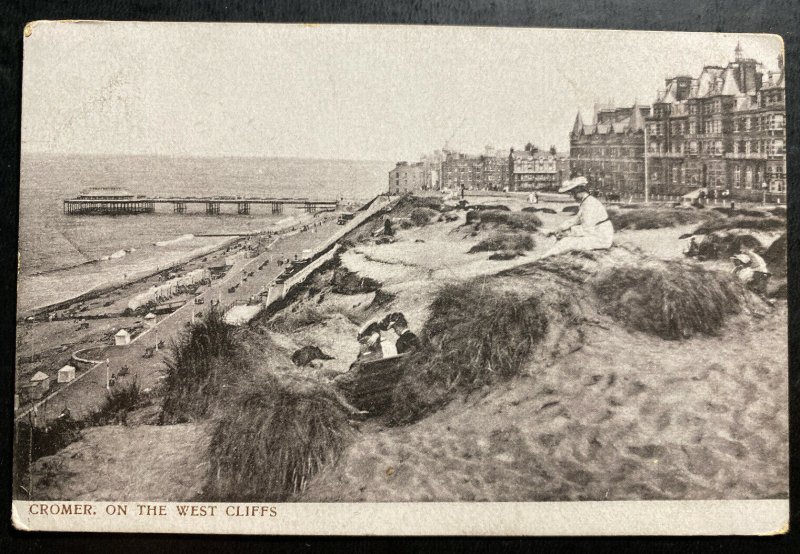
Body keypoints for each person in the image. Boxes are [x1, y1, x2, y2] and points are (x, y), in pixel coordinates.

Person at [542, 176, 614, 257]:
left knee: (565, 242)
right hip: (598, 234)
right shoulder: (586, 201)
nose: (573, 196)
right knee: (564, 241)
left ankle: (543, 258)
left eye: (573, 193)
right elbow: (576, 219)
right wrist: (560, 228)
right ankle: (545, 257)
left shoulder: (590, 204)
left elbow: (587, 229)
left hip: (601, 237)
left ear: (579, 190)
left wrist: (568, 233)